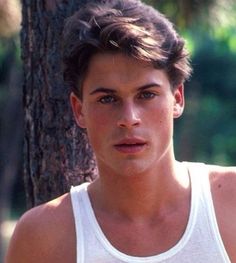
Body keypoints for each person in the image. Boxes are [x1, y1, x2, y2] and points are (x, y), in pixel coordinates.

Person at [6, 0, 236, 262]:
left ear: (177, 98)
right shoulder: (42, 237)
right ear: (79, 109)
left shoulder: (230, 203)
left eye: (147, 95)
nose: (129, 119)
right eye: (107, 99)